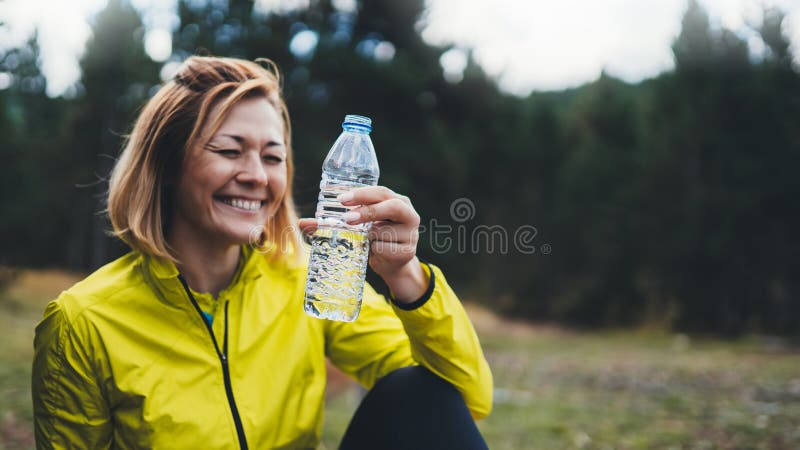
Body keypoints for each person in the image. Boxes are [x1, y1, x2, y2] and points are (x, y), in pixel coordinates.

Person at [31, 56, 492, 449]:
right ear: (167, 165)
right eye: (230, 151)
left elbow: (462, 399)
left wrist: (407, 277)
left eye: (272, 158)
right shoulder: (83, 322)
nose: (257, 175)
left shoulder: (298, 279)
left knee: (415, 390)